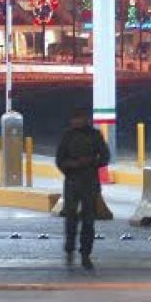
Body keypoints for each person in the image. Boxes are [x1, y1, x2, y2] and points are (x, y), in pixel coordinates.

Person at [55, 108, 111, 270]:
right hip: (72, 182)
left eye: (79, 118)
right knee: (71, 218)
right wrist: (73, 165)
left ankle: (86, 254)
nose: (77, 122)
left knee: (88, 220)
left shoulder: (95, 135)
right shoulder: (68, 136)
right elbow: (59, 160)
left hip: (90, 181)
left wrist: (91, 162)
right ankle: (69, 248)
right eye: (75, 119)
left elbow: (105, 157)